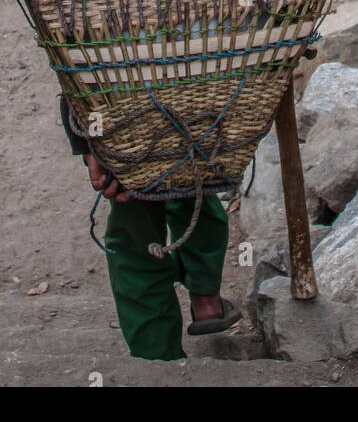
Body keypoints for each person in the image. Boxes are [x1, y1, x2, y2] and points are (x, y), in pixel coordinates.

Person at [60, 98, 240, 361]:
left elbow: (66, 62)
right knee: (192, 180)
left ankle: (156, 357)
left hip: (121, 119)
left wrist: (88, 144)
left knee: (136, 231)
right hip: (198, 101)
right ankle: (205, 299)